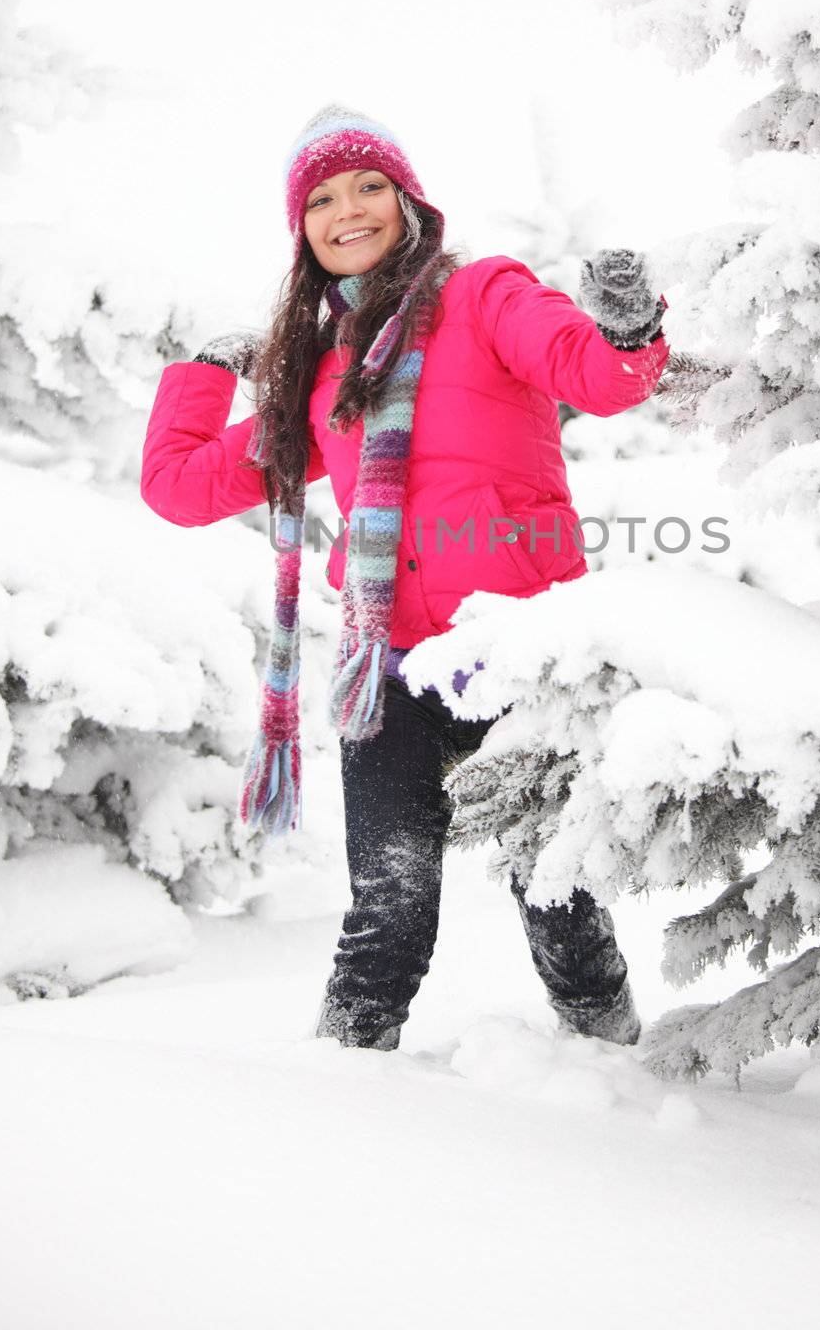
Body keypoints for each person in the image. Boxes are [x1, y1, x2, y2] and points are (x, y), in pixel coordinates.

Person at [140, 103, 669, 1052]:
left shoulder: (485, 295)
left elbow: (596, 376)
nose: (349, 211)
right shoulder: (320, 373)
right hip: (388, 666)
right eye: (322, 200)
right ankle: (345, 1087)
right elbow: (179, 489)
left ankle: (612, 1065)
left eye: (369, 187)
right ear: (302, 233)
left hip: (518, 653)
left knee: (558, 900)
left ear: (407, 198)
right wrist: (205, 373)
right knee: (389, 908)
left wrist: (626, 332)